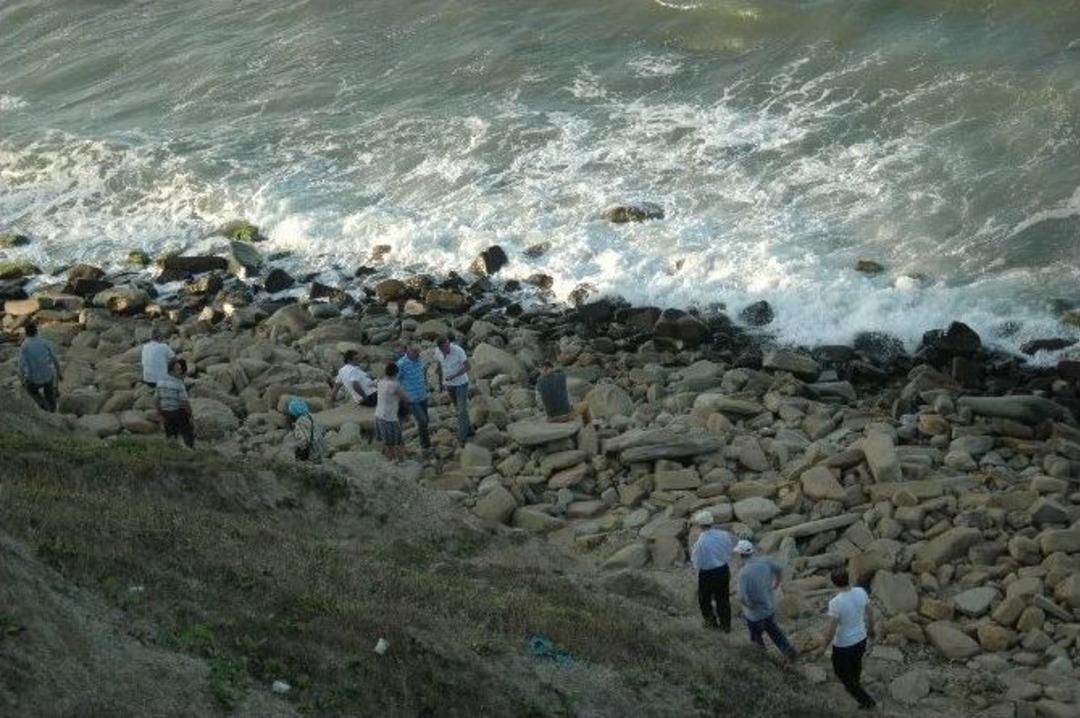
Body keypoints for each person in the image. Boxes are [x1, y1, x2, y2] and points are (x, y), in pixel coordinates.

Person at [822, 568, 876, 710]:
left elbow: (831, 630)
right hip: (861, 637)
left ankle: (866, 700)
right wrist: (871, 629)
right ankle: (855, 682)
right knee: (856, 663)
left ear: (834, 583)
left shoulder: (835, 603)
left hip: (844, 644)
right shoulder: (861, 592)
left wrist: (823, 647)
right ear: (849, 578)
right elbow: (870, 613)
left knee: (840, 671)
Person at [736, 542, 798, 662]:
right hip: (769, 606)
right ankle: (789, 652)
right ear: (752, 551)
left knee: (756, 638)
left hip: (754, 614)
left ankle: (763, 660)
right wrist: (777, 583)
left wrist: (749, 606)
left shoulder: (743, 573)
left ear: (741, 555)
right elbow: (779, 569)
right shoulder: (765, 561)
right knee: (774, 631)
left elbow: (741, 597)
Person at [689, 510, 735, 632]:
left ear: (700, 525)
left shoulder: (701, 542)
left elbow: (696, 561)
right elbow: (730, 549)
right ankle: (726, 626)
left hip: (707, 573)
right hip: (723, 569)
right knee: (723, 598)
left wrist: (697, 570)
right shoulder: (724, 534)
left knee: (704, 599)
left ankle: (711, 623)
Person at [17, 321, 62, 413]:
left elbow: (21, 366)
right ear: (36, 331)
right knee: (49, 393)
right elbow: (55, 359)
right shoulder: (44, 342)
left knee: (31, 391)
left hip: (34, 379)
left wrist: (22, 380)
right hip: (48, 376)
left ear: (26, 333)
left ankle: (42, 404)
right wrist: (59, 373)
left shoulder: (24, 346)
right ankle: (52, 409)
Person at [435, 334, 471, 442]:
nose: (448, 348)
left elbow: (468, 366)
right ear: (440, 348)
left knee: (461, 410)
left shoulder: (458, 351)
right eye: (445, 347)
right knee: (459, 409)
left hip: (461, 384)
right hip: (449, 386)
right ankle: (469, 430)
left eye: (448, 345)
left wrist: (454, 375)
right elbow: (439, 366)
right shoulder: (437, 352)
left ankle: (462, 438)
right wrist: (440, 384)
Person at [396, 344, 431, 451]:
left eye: (418, 352)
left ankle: (424, 443)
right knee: (422, 421)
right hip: (411, 399)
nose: (417, 354)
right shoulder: (401, 364)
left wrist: (426, 384)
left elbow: (423, 372)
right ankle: (425, 445)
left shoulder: (420, 360)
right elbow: (394, 380)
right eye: (415, 352)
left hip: (422, 395)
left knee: (425, 421)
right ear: (408, 352)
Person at [155, 357, 194, 448]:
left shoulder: (160, 382)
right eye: (178, 369)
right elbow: (184, 402)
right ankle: (190, 446)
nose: (180, 371)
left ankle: (172, 447)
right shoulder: (178, 383)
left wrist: (159, 413)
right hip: (176, 412)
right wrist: (190, 414)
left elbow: (156, 399)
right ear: (172, 371)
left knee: (170, 433)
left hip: (165, 412)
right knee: (187, 429)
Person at [375, 362, 409, 461]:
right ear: (396, 373)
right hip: (390, 418)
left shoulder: (380, 382)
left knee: (387, 443)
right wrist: (407, 413)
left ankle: (390, 459)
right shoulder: (395, 385)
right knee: (396, 442)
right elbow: (406, 399)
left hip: (378, 415)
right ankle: (399, 460)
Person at [288, 397, 325, 462]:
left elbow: (304, 441)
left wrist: (292, 446)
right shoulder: (313, 416)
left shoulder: (300, 422)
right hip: (321, 449)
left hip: (313, 454)